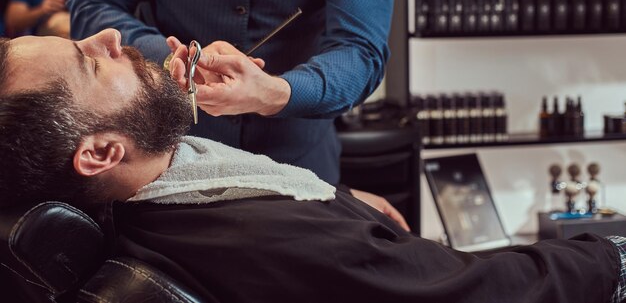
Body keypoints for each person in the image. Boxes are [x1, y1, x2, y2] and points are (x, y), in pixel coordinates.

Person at [0, 31, 625, 303]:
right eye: (89, 62)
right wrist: (612, 256)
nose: (109, 35)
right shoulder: (275, 241)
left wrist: (334, 197)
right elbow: (486, 293)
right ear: (101, 153)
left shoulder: (141, 194)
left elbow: (360, 45)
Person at [68, 0, 407, 225]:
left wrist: (276, 93)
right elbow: (95, 6)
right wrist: (180, 61)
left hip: (300, 167)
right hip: (166, 164)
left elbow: (360, 51)